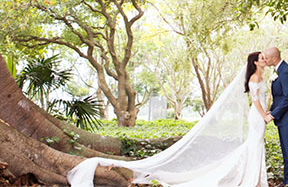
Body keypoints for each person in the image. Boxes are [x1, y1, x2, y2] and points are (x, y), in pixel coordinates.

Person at [67, 52, 270, 187]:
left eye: (264, 58)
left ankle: (256, 176)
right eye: (261, 58)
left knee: (255, 145)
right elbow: (256, 101)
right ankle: (253, 178)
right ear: (254, 62)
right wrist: (265, 115)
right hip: (257, 117)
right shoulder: (255, 78)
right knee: (254, 144)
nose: (264, 60)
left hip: (259, 117)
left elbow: (263, 98)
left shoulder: (262, 77)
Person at [263, 47, 288, 187]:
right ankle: (287, 181)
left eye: (266, 58)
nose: (265, 60)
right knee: (285, 150)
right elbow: (278, 96)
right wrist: (271, 110)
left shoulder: (286, 72)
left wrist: (273, 115)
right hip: (283, 118)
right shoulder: (278, 71)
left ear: (273, 58)